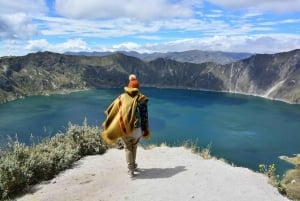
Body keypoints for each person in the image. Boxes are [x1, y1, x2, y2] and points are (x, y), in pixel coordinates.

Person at [101, 74, 151, 177]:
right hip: (137, 130)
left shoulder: (121, 98)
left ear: (128, 87)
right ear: (138, 88)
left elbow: (112, 110)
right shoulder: (142, 99)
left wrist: (112, 122)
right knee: (134, 146)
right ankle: (134, 165)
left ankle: (131, 169)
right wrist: (144, 130)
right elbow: (145, 116)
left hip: (125, 129)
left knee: (128, 147)